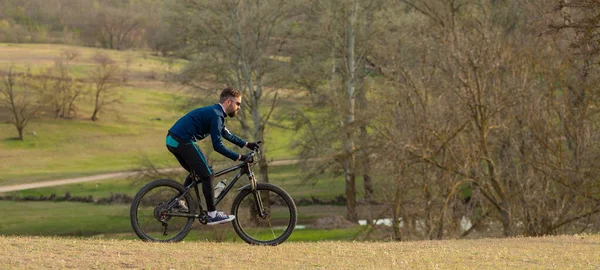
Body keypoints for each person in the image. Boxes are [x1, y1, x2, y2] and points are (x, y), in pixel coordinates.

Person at [166, 87, 260, 225]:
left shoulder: (216, 113)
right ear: (228, 102)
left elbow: (226, 134)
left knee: (201, 172)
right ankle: (212, 214)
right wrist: (240, 157)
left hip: (173, 140)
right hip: (181, 140)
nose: (239, 107)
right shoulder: (216, 115)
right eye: (238, 104)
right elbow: (217, 146)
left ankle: (177, 201)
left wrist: (247, 144)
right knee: (208, 174)